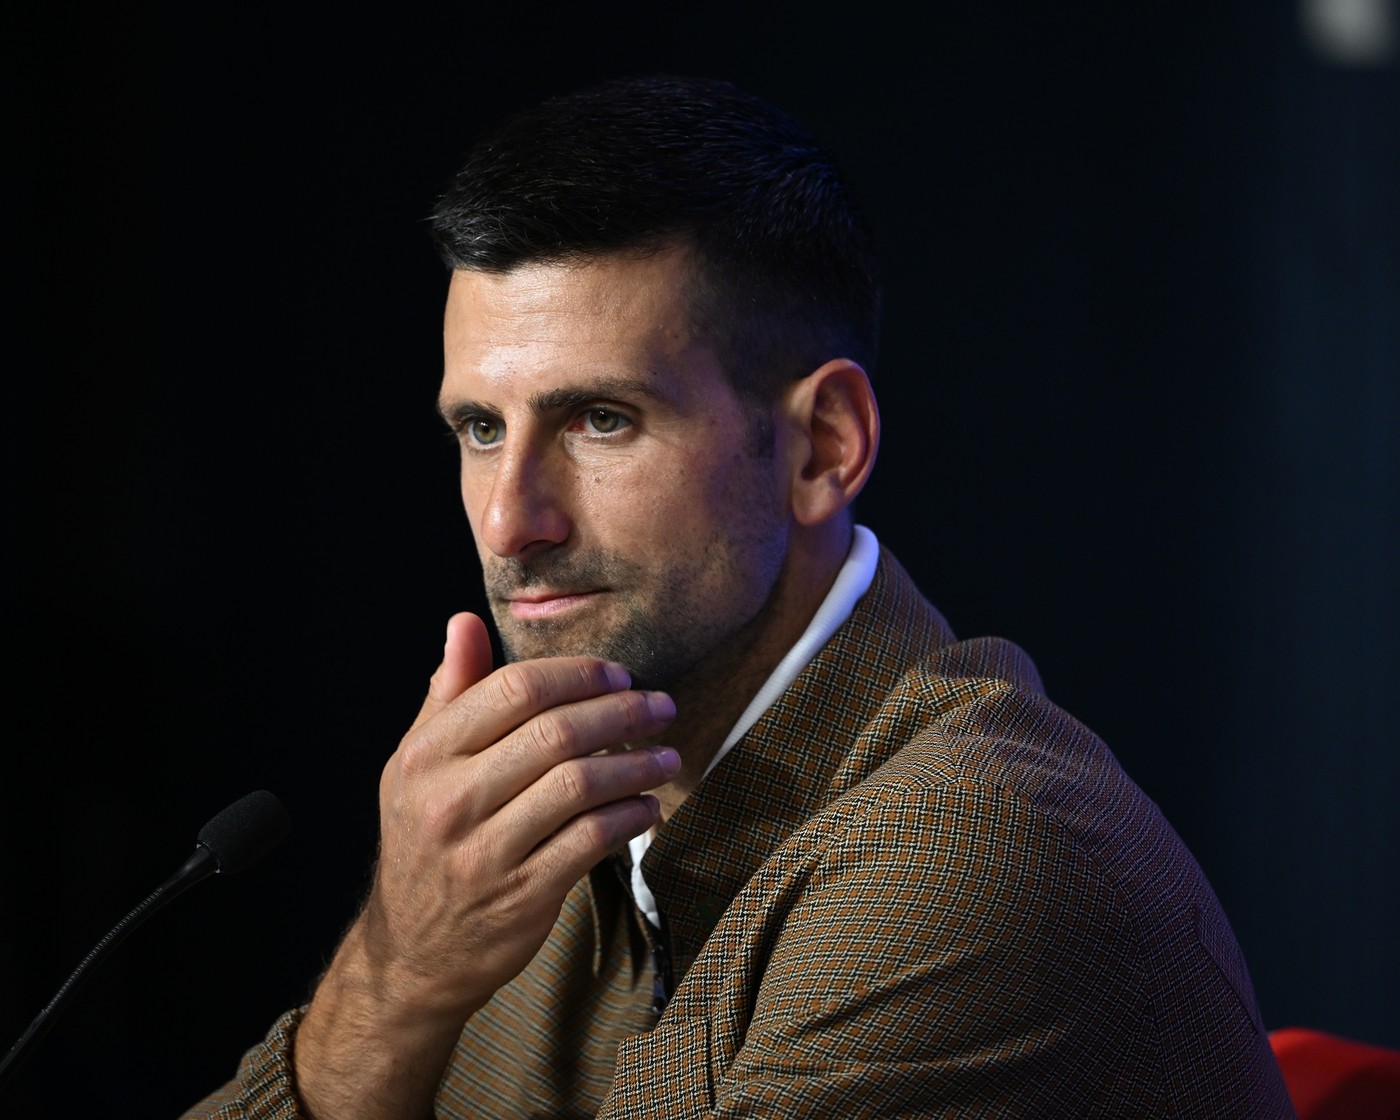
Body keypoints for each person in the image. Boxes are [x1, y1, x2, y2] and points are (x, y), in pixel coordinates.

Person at [187, 74, 1295, 1118]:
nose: (507, 521)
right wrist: (395, 977)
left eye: (598, 421)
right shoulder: (533, 834)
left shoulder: (973, 859)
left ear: (821, 446)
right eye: (480, 428)